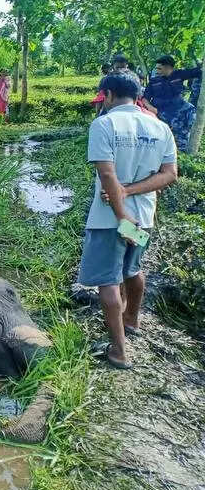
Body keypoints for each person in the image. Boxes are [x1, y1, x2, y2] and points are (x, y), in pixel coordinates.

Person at [78, 73, 177, 369]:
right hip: (144, 216)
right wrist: (131, 193)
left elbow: (107, 175)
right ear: (136, 96)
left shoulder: (104, 124)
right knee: (133, 269)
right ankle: (131, 319)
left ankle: (118, 351)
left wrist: (122, 214)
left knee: (108, 280)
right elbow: (169, 174)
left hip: (111, 219)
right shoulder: (160, 127)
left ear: (107, 95)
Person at [141, 55, 202, 151]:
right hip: (161, 111)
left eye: (159, 68)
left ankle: (183, 146)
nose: (157, 71)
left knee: (191, 110)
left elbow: (198, 72)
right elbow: (145, 99)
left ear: (168, 67)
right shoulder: (154, 81)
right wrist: (151, 108)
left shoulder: (179, 74)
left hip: (179, 109)